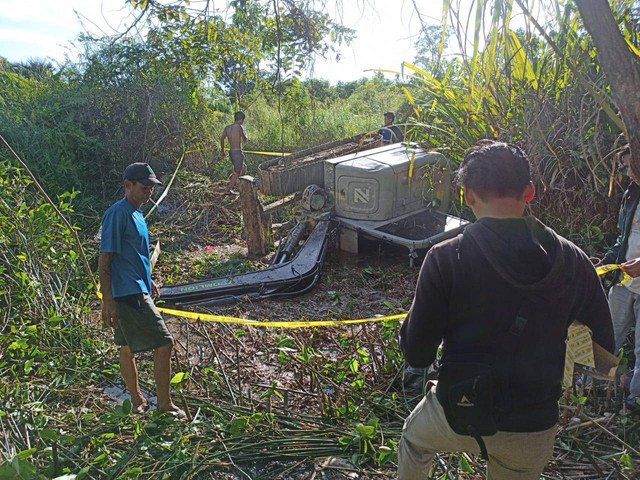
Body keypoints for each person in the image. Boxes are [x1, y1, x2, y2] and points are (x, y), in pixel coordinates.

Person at [398, 140, 614, 479]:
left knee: (414, 441)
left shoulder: (444, 257)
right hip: (534, 423)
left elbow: (418, 355)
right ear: (529, 191)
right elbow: (604, 355)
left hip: (459, 411)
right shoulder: (574, 259)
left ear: (467, 195)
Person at [99, 162, 183, 417]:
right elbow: (105, 260)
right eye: (144, 188)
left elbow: (134, 255)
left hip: (137, 286)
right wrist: (108, 300)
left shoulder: (137, 214)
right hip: (128, 293)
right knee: (165, 343)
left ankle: (137, 401)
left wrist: (149, 280)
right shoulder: (117, 214)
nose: (149, 193)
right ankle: (165, 405)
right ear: (128, 185)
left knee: (126, 346)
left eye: (152, 188)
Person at [600, 145, 640, 412]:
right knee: (607, 335)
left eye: (629, 166)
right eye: (624, 167)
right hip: (625, 282)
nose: (627, 172)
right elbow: (622, 238)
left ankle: (634, 402)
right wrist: (604, 262)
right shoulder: (630, 194)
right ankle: (593, 386)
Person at [221, 111, 249, 195]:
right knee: (237, 172)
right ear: (241, 120)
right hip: (237, 152)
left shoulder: (227, 128)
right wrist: (246, 134)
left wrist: (222, 151)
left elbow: (222, 139)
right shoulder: (239, 127)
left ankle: (240, 184)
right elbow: (245, 140)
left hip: (231, 152)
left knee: (243, 167)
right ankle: (227, 189)